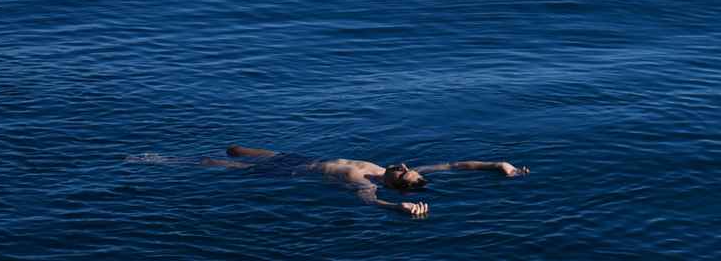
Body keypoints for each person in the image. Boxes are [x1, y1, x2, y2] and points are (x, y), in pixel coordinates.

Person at [203, 144, 529, 218]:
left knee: (212, 163)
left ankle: (163, 160)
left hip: (287, 172)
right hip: (299, 158)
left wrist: (396, 208)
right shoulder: (389, 171)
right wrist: (497, 164)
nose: (403, 164)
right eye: (408, 167)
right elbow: (456, 164)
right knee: (235, 148)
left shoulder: (367, 183)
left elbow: (367, 201)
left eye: (403, 172)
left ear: (394, 183)